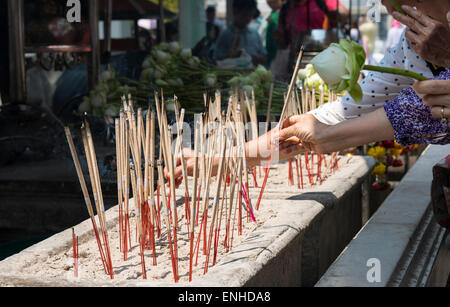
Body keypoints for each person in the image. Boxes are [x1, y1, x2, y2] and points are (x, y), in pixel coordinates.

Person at [167, 1, 450, 184]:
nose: (398, 15)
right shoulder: (409, 48)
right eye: (388, 5)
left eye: (404, 2)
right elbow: (341, 112)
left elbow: (420, 110)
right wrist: (224, 160)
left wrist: (329, 137)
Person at [214, 0, 267, 66]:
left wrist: (254, 58)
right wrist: (234, 55)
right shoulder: (226, 35)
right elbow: (217, 59)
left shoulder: (254, 34)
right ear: (235, 12)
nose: (247, 18)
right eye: (244, 15)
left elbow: (264, 57)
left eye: (250, 15)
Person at [265, 0, 285, 67]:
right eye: (269, 2)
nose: (271, 4)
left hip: (279, 51)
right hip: (269, 50)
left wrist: (273, 23)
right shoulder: (271, 14)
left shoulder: (283, 13)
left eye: (274, 2)